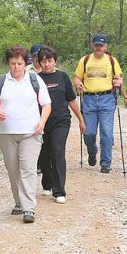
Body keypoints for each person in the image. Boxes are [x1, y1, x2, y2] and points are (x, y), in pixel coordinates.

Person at [0, 46, 51, 223]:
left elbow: (46, 104)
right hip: (6, 132)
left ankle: (29, 208)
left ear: (26, 64)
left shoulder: (34, 80)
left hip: (31, 132)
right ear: (8, 63)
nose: (16, 67)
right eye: (13, 63)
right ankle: (19, 202)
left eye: (19, 63)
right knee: (13, 169)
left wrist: (42, 122)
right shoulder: (1, 81)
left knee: (28, 169)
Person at [36, 46, 85, 203]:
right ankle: (47, 182)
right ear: (39, 63)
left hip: (61, 121)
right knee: (44, 155)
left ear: (55, 61)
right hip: (42, 123)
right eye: (43, 62)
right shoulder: (35, 80)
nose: (47, 65)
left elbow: (71, 99)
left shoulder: (62, 77)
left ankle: (59, 191)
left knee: (57, 152)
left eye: (50, 61)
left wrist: (81, 119)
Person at [73, 34, 127, 173]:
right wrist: (78, 84)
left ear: (105, 47)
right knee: (88, 133)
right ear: (92, 46)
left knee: (107, 133)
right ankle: (92, 152)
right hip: (89, 99)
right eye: (96, 45)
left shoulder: (111, 60)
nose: (98, 48)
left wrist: (118, 82)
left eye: (101, 45)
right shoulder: (85, 60)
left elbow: (119, 77)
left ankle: (105, 163)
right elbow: (77, 78)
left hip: (107, 98)